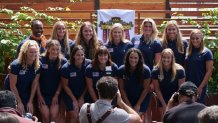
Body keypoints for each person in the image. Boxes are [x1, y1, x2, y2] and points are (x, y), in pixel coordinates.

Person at [4, 40, 40, 115]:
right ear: (25, 52)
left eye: (35, 52)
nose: (34, 54)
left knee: (28, 111)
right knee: (16, 112)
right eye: (31, 52)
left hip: (25, 90)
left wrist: (30, 101)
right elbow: (12, 85)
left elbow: (35, 83)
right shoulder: (15, 65)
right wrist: (19, 102)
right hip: (12, 91)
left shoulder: (38, 65)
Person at [37, 40, 67, 123]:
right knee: (45, 116)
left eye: (57, 49)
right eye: (53, 49)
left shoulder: (63, 61)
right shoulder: (40, 60)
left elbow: (63, 80)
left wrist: (56, 95)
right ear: (48, 49)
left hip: (56, 95)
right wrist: (39, 95)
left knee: (53, 117)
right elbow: (36, 81)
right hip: (42, 94)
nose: (55, 51)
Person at [118, 48, 151, 123]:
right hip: (127, 98)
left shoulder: (146, 70)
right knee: (127, 118)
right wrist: (128, 104)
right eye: (131, 57)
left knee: (136, 118)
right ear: (127, 58)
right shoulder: (121, 70)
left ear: (139, 59)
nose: (133, 60)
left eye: (136, 58)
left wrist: (138, 105)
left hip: (141, 99)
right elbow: (122, 88)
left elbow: (146, 89)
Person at [152, 48, 185, 118]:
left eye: (168, 57)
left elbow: (181, 88)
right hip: (162, 97)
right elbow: (157, 89)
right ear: (161, 57)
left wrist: (174, 102)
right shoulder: (155, 71)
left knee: (175, 118)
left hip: (176, 98)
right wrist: (164, 104)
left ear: (172, 58)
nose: (166, 59)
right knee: (164, 117)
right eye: (164, 57)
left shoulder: (180, 70)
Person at [61, 45, 91, 123]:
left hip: (84, 94)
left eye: (82, 55)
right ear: (73, 55)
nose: (80, 57)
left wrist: (81, 98)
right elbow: (65, 86)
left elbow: (89, 84)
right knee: (75, 116)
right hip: (70, 95)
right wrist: (74, 100)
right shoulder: (66, 68)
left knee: (85, 116)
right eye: (78, 55)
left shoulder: (89, 64)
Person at [185, 29, 213, 104]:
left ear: (201, 39)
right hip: (188, 84)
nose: (195, 40)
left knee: (199, 108)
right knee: (189, 108)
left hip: (200, 85)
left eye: (197, 38)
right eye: (193, 38)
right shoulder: (188, 51)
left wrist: (201, 87)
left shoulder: (207, 52)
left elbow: (209, 71)